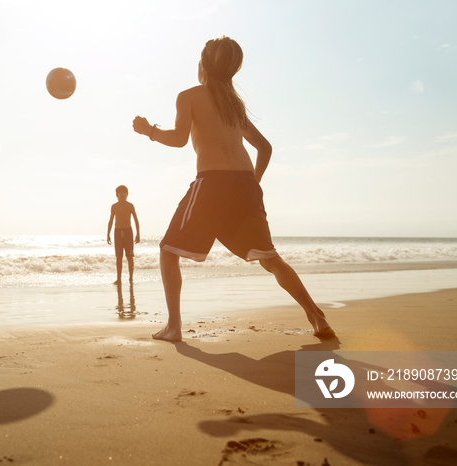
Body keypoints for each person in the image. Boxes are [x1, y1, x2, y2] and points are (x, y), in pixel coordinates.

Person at [132, 36, 335, 342]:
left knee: (168, 250)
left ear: (203, 65)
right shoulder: (233, 104)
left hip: (212, 183)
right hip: (244, 185)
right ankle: (317, 317)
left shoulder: (189, 96)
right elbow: (264, 148)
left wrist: (148, 130)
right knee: (270, 259)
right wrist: (253, 184)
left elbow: (178, 139)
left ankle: (174, 327)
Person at [107, 185, 141, 284]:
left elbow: (136, 220)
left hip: (128, 232)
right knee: (119, 257)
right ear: (117, 194)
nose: (122, 194)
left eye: (124, 192)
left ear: (127, 194)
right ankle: (119, 279)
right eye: (120, 192)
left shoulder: (130, 205)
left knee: (130, 257)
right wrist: (108, 234)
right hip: (117, 232)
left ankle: (131, 278)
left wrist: (138, 234)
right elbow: (110, 221)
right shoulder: (114, 206)